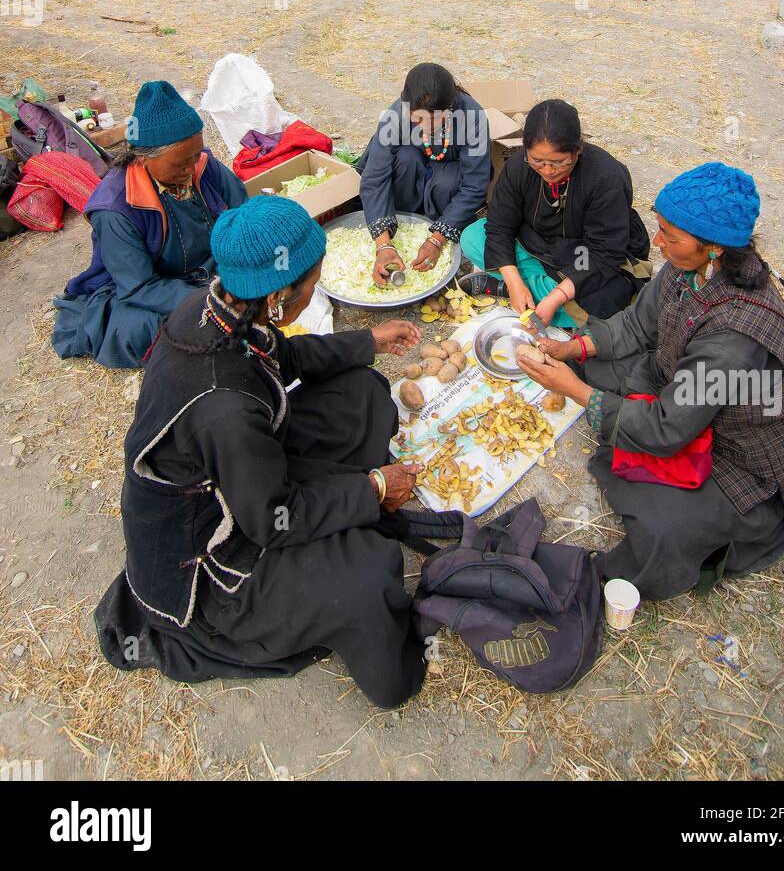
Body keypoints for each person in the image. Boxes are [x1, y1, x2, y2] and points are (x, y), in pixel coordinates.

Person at [94, 195, 424, 709]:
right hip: (213, 549)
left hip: (242, 469)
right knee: (368, 572)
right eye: (311, 285)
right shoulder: (223, 409)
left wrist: (369, 341)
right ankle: (351, 508)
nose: (313, 291)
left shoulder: (215, 308)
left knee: (360, 393)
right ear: (279, 295)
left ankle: (345, 496)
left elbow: (283, 354)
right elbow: (273, 519)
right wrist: (373, 488)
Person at [520, 162, 784, 601]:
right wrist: (573, 349)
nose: (657, 243)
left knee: (663, 526)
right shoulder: (686, 269)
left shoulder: (736, 336)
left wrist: (575, 391)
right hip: (683, 395)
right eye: (659, 228)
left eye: (670, 236)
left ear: (715, 249)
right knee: (596, 369)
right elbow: (637, 327)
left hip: (741, 460)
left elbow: (667, 428)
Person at [52, 81, 246, 369]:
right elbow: (139, 286)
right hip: (146, 288)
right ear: (143, 158)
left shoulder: (202, 165)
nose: (190, 169)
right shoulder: (116, 208)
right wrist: (214, 299)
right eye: (180, 163)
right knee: (161, 328)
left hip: (208, 270)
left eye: (195, 155)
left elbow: (245, 215)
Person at [460, 99, 651, 327]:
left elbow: (604, 252)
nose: (548, 171)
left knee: (603, 306)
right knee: (472, 237)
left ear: (577, 149)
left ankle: (523, 291)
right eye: (537, 162)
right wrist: (513, 280)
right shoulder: (518, 167)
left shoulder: (605, 176)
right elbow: (500, 226)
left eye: (559, 163)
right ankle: (518, 288)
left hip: (583, 253)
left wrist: (557, 296)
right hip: (537, 242)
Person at [358, 63, 490, 287]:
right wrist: (384, 245)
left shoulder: (472, 117)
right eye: (417, 119)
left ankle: (439, 221)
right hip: (412, 170)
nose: (424, 126)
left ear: (449, 108)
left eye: (433, 120)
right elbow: (374, 178)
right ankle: (403, 216)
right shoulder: (396, 115)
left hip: (447, 179)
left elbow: (475, 185)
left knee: (448, 181)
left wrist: (437, 239)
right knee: (405, 159)